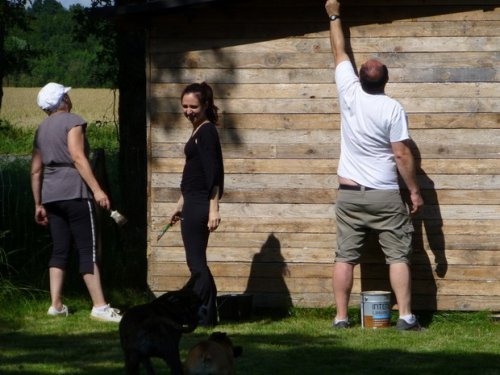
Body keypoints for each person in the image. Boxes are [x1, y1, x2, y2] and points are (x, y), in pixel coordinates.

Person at [325, 0, 424, 330]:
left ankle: (341, 319)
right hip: (383, 193)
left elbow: (339, 51)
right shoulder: (393, 108)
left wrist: (334, 15)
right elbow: (401, 154)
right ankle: (406, 317)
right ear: (385, 81)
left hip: (349, 193)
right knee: (397, 255)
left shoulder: (348, 92)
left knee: (344, 257)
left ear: (360, 78)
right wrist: (413, 190)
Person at [31, 82, 122, 323]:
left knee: (60, 249)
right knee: (88, 248)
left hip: (51, 195)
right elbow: (78, 158)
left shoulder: (41, 129)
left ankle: (56, 305)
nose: (70, 97)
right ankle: (100, 306)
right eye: (67, 94)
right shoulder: (73, 121)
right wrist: (98, 190)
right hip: (76, 192)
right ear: (63, 100)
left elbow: (35, 171)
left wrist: (38, 203)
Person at [169, 82, 224, 327]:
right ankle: (208, 316)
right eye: (184, 106)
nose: (188, 111)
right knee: (197, 263)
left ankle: (197, 313)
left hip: (201, 204)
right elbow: (193, 173)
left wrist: (214, 208)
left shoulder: (207, 131)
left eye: (193, 106)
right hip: (191, 202)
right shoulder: (197, 130)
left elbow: (215, 174)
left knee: (196, 264)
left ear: (205, 106)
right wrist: (180, 203)